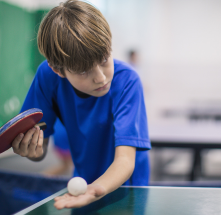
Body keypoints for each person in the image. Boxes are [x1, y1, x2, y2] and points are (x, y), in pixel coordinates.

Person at [10, 0, 150, 210]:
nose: (101, 78)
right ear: (59, 70)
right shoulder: (48, 78)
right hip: (82, 189)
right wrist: (32, 150)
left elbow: (125, 161)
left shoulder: (127, 82)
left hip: (127, 191)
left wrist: (96, 190)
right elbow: (40, 150)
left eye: (104, 59)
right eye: (84, 71)